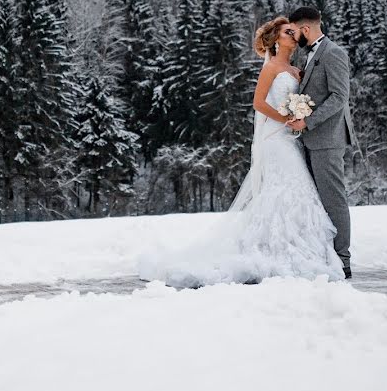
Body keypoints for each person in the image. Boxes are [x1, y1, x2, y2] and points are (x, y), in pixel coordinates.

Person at [138, 16, 344, 288]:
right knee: (288, 187)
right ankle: (275, 249)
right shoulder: (271, 67)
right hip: (275, 140)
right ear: (276, 39)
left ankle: (293, 247)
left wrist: (300, 113)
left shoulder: (296, 70)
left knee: (295, 189)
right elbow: (258, 103)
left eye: (294, 32)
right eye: (287, 32)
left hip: (292, 138)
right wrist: (285, 119)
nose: (293, 35)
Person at [287, 6, 356, 279]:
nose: (294, 37)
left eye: (295, 31)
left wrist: (308, 121)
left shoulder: (334, 53)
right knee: (317, 200)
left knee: (333, 199)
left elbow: (340, 97)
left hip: (327, 139)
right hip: (310, 139)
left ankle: (343, 260)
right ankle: (324, 254)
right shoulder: (309, 56)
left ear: (306, 29)